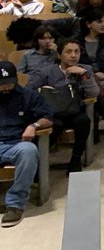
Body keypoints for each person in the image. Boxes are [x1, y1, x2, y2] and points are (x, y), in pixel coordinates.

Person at [26, 41, 98, 173]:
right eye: (68, 52)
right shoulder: (47, 71)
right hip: (52, 112)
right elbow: (30, 90)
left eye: (77, 51)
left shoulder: (85, 69)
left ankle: (76, 158)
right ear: (59, 55)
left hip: (74, 110)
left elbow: (94, 93)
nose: (73, 55)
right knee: (55, 125)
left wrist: (84, 75)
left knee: (84, 121)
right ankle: (38, 162)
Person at [0, 60, 53, 227]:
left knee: (29, 151)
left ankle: (15, 204)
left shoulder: (28, 95)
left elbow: (48, 117)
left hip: (17, 142)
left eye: (9, 83)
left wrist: (34, 125)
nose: (5, 87)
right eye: (1, 84)